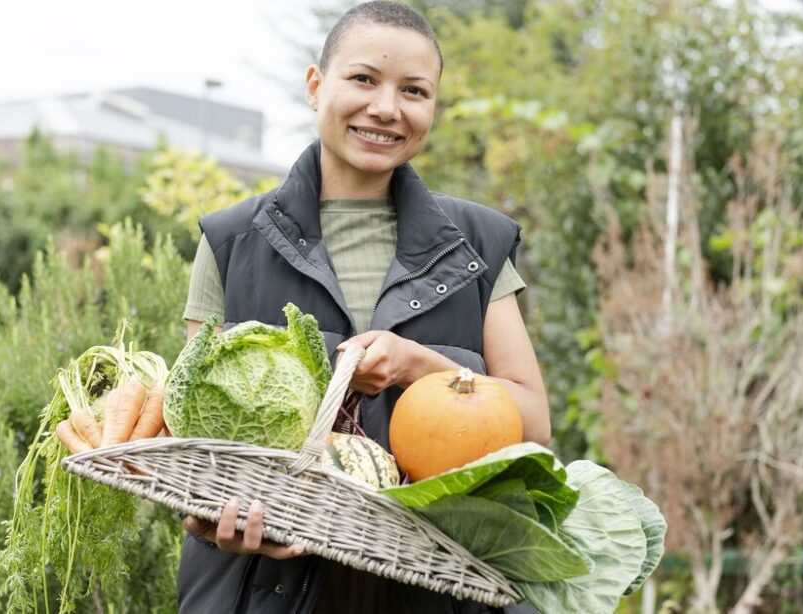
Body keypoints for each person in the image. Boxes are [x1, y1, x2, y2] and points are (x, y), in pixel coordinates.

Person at [178, 2, 549, 612]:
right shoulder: (231, 241)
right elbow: (194, 432)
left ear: (433, 106)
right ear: (315, 86)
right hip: (266, 589)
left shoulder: (478, 244)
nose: (386, 108)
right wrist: (206, 520)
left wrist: (421, 367)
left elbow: (533, 422)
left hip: (440, 591)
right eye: (363, 79)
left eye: (414, 91)